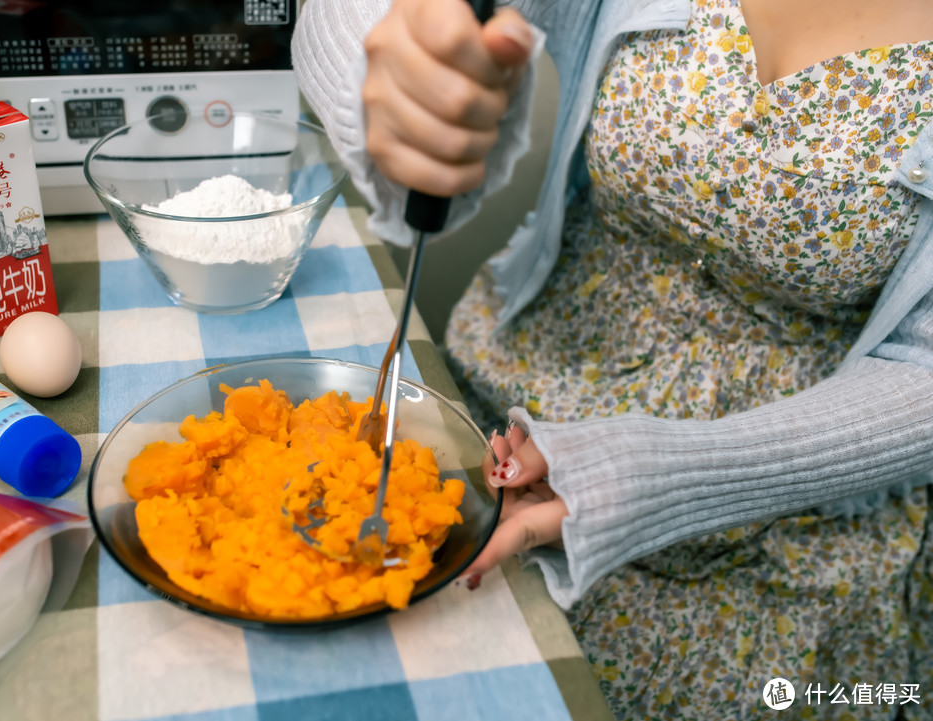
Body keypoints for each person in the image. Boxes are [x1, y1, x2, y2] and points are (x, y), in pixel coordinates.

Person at [292, 0, 933, 717]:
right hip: (502, 411)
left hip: (784, 526)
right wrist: (384, 67)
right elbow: (366, 16)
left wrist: (649, 474)